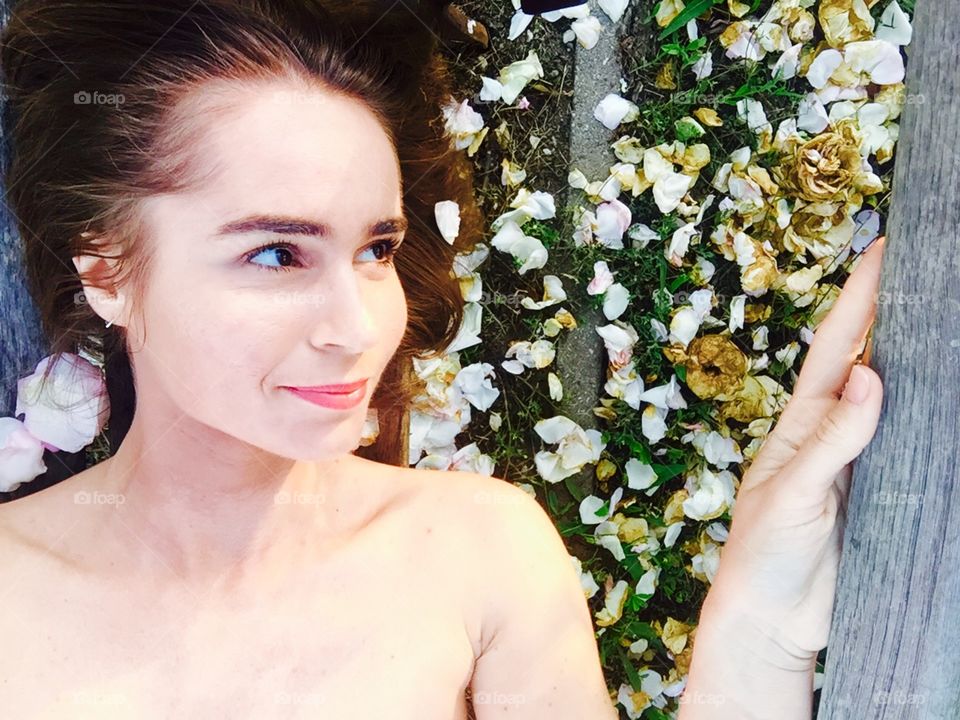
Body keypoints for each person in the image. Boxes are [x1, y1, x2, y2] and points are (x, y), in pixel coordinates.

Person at [0, 1, 887, 718]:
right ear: (106, 271)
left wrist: (758, 623)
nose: (357, 326)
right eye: (276, 254)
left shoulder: (479, 556)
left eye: (376, 250)